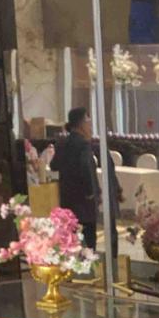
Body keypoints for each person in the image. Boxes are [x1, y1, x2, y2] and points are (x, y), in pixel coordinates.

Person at [51, 107, 99, 249]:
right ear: (81, 124)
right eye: (88, 121)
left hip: (67, 199)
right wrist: (91, 192)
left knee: (70, 240)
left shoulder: (62, 143)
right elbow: (86, 168)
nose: (90, 126)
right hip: (84, 201)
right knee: (88, 241)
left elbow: (54, 165)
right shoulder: (83, 145)